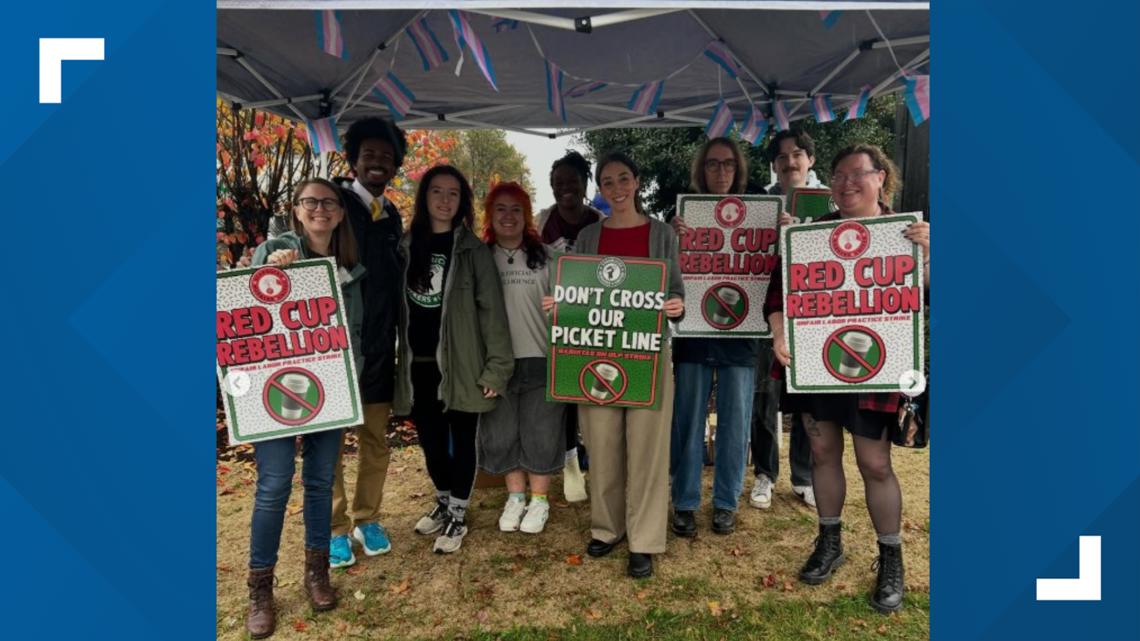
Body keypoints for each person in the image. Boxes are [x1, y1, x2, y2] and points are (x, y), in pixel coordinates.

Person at [765, 144, 930, 614]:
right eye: (838, 175)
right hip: (819, 361)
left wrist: (931, 253)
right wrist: (779, 333)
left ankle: (890, 557)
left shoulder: (907, 233)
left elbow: (935, 294)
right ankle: (829, 542)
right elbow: (778, 295)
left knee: (875, 463)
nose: (847, 183)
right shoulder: (811, 235)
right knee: (821, 452)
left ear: (882, 178)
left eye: (859, 174)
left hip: (878, 364)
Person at [544, 152, 685, 578]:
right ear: (599, 189)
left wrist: (675, 307)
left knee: (647, 448)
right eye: (608, 182)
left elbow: (674, 292)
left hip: (647, 352)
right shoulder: (588, 236)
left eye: (624, 178)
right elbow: (575, 291)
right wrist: (558, 306)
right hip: (596, 352)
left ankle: (643, 538)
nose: (617, 188)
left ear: (637, 182)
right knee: (601, 443)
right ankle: (607, 528)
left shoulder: (661, 234)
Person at [245, 179, 366, 638]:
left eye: (328, 203)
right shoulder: (276, 251)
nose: (319, 209)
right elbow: (249, 293)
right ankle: (260, 587)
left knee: (319, 481)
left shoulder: (350, 266)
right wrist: (271, 265)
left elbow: (351, 329)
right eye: (310, 202)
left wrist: (350, 385)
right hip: (273, 389)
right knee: (274, 484)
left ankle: (317, 573)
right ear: (296, 210)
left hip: (329, 387)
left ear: (339, 213)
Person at [393, 165, 514, 554]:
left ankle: (459, 513)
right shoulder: (406, 246)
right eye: (437, 192)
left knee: (463, 439)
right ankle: (444, 500)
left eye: (453, 194)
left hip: (463, 363)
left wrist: (497, 367)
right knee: (429, 441)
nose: (445, 201)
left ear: (462, 202)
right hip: (419, 364)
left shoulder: (473, 251)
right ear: (424, 197)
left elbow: (492, 312)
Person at [326, 117, 408, 568]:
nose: (377, 162)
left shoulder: (391, 213)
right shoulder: (335, 205)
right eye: (369, 154)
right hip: (338, 346)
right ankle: (335, 528)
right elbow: (297, 237)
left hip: (380, 347)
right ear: (354, 160)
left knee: (375, 437)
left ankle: (367, 517)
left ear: (396, 164)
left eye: (386, 156)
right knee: (331, 443)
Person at [667, 137, 759, 537]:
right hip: (693, 332)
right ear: (700, 171)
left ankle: (726, 502)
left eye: (728, 165)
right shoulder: (681, 215)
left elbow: (775, 265)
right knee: (687, 420)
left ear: (738, 171)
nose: (720, 172)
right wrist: (671, 237)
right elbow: (665, 272)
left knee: (735, 424)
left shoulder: (759, 214)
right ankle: (685, 501)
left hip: (741, 333)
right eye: (712, 165)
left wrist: (785, 233)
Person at [478, 182, 566, 534]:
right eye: (500, 208)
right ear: (489, 214)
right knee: (502, 433)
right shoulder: (480, 257)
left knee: (541, 432)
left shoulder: (547, 256)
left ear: (527, 214)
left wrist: (562, 304)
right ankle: (515, 497)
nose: (508, 216)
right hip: (497, 363)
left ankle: (540, 501)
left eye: (516, 209)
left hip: (541, 357)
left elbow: (573, 298)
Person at [750, 130, 820, 511]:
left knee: (808, 399)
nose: (790, 162)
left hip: (816, 314)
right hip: (766, 310)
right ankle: (764, 473)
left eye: (797, 155)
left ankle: (804, 476)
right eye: (781, 157)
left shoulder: (832, 200)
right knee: (763, 397)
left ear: (810, 159)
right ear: (774, 165)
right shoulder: (760, 202)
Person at [537, 150, 605, 503]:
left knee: (591, 394)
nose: (565, 188)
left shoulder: (600, 222)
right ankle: (570, 464)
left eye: (572, 181)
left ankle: (598, 461)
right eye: (558, 182)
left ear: (585, 184)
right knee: (563, 397)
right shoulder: (541, 223)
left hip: (592, 323)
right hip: (552, 322)